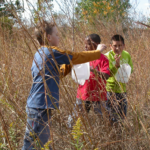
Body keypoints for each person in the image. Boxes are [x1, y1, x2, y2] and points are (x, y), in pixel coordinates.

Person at [22, 21, 104, 150]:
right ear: (49, 37)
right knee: (31, 145)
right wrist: (97, 52)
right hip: (40, 105)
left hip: (39, 104)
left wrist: (71, 66)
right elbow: (76, 56)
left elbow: (56, 74)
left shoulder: (40, 53)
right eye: (57, 34)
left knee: (42, 142)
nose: (59, 37)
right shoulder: (52, 52)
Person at [76, 34, 110, 116]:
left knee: (104, 119)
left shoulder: (103, 59)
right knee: (77, 119)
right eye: (85, 44)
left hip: (98, 96)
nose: (85, 46)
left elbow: (106, 76)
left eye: (88, 44)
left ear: (97, 45)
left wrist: (91, 70)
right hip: (83, 95)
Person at [105, 34, 133, 125]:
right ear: (110, 46)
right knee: (111, 116)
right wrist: (116, 66)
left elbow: (130, 68)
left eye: (120, 45)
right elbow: (106, 74)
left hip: (122, 90)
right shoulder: (107, 56)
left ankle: (120, 135)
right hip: (110, 90)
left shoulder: (126, 55)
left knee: (122, 116)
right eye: (115, 46)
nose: (118, 48)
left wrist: (129, 75)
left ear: (124, 46)